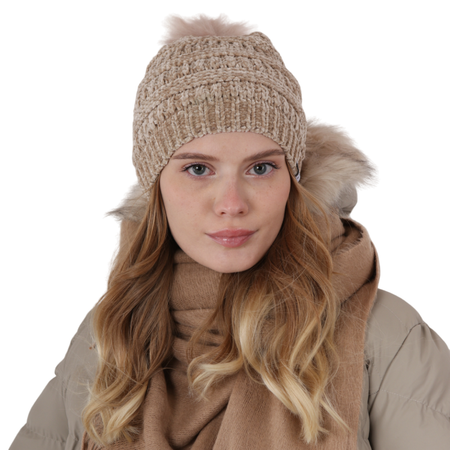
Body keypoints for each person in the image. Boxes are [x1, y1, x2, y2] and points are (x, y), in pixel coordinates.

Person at [10, 14, 450, 450]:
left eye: (261, 168)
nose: (232, 203)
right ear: (155, 185)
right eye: (198, 169)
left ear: (293, 179)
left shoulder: (386, 337)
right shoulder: (110, 335)